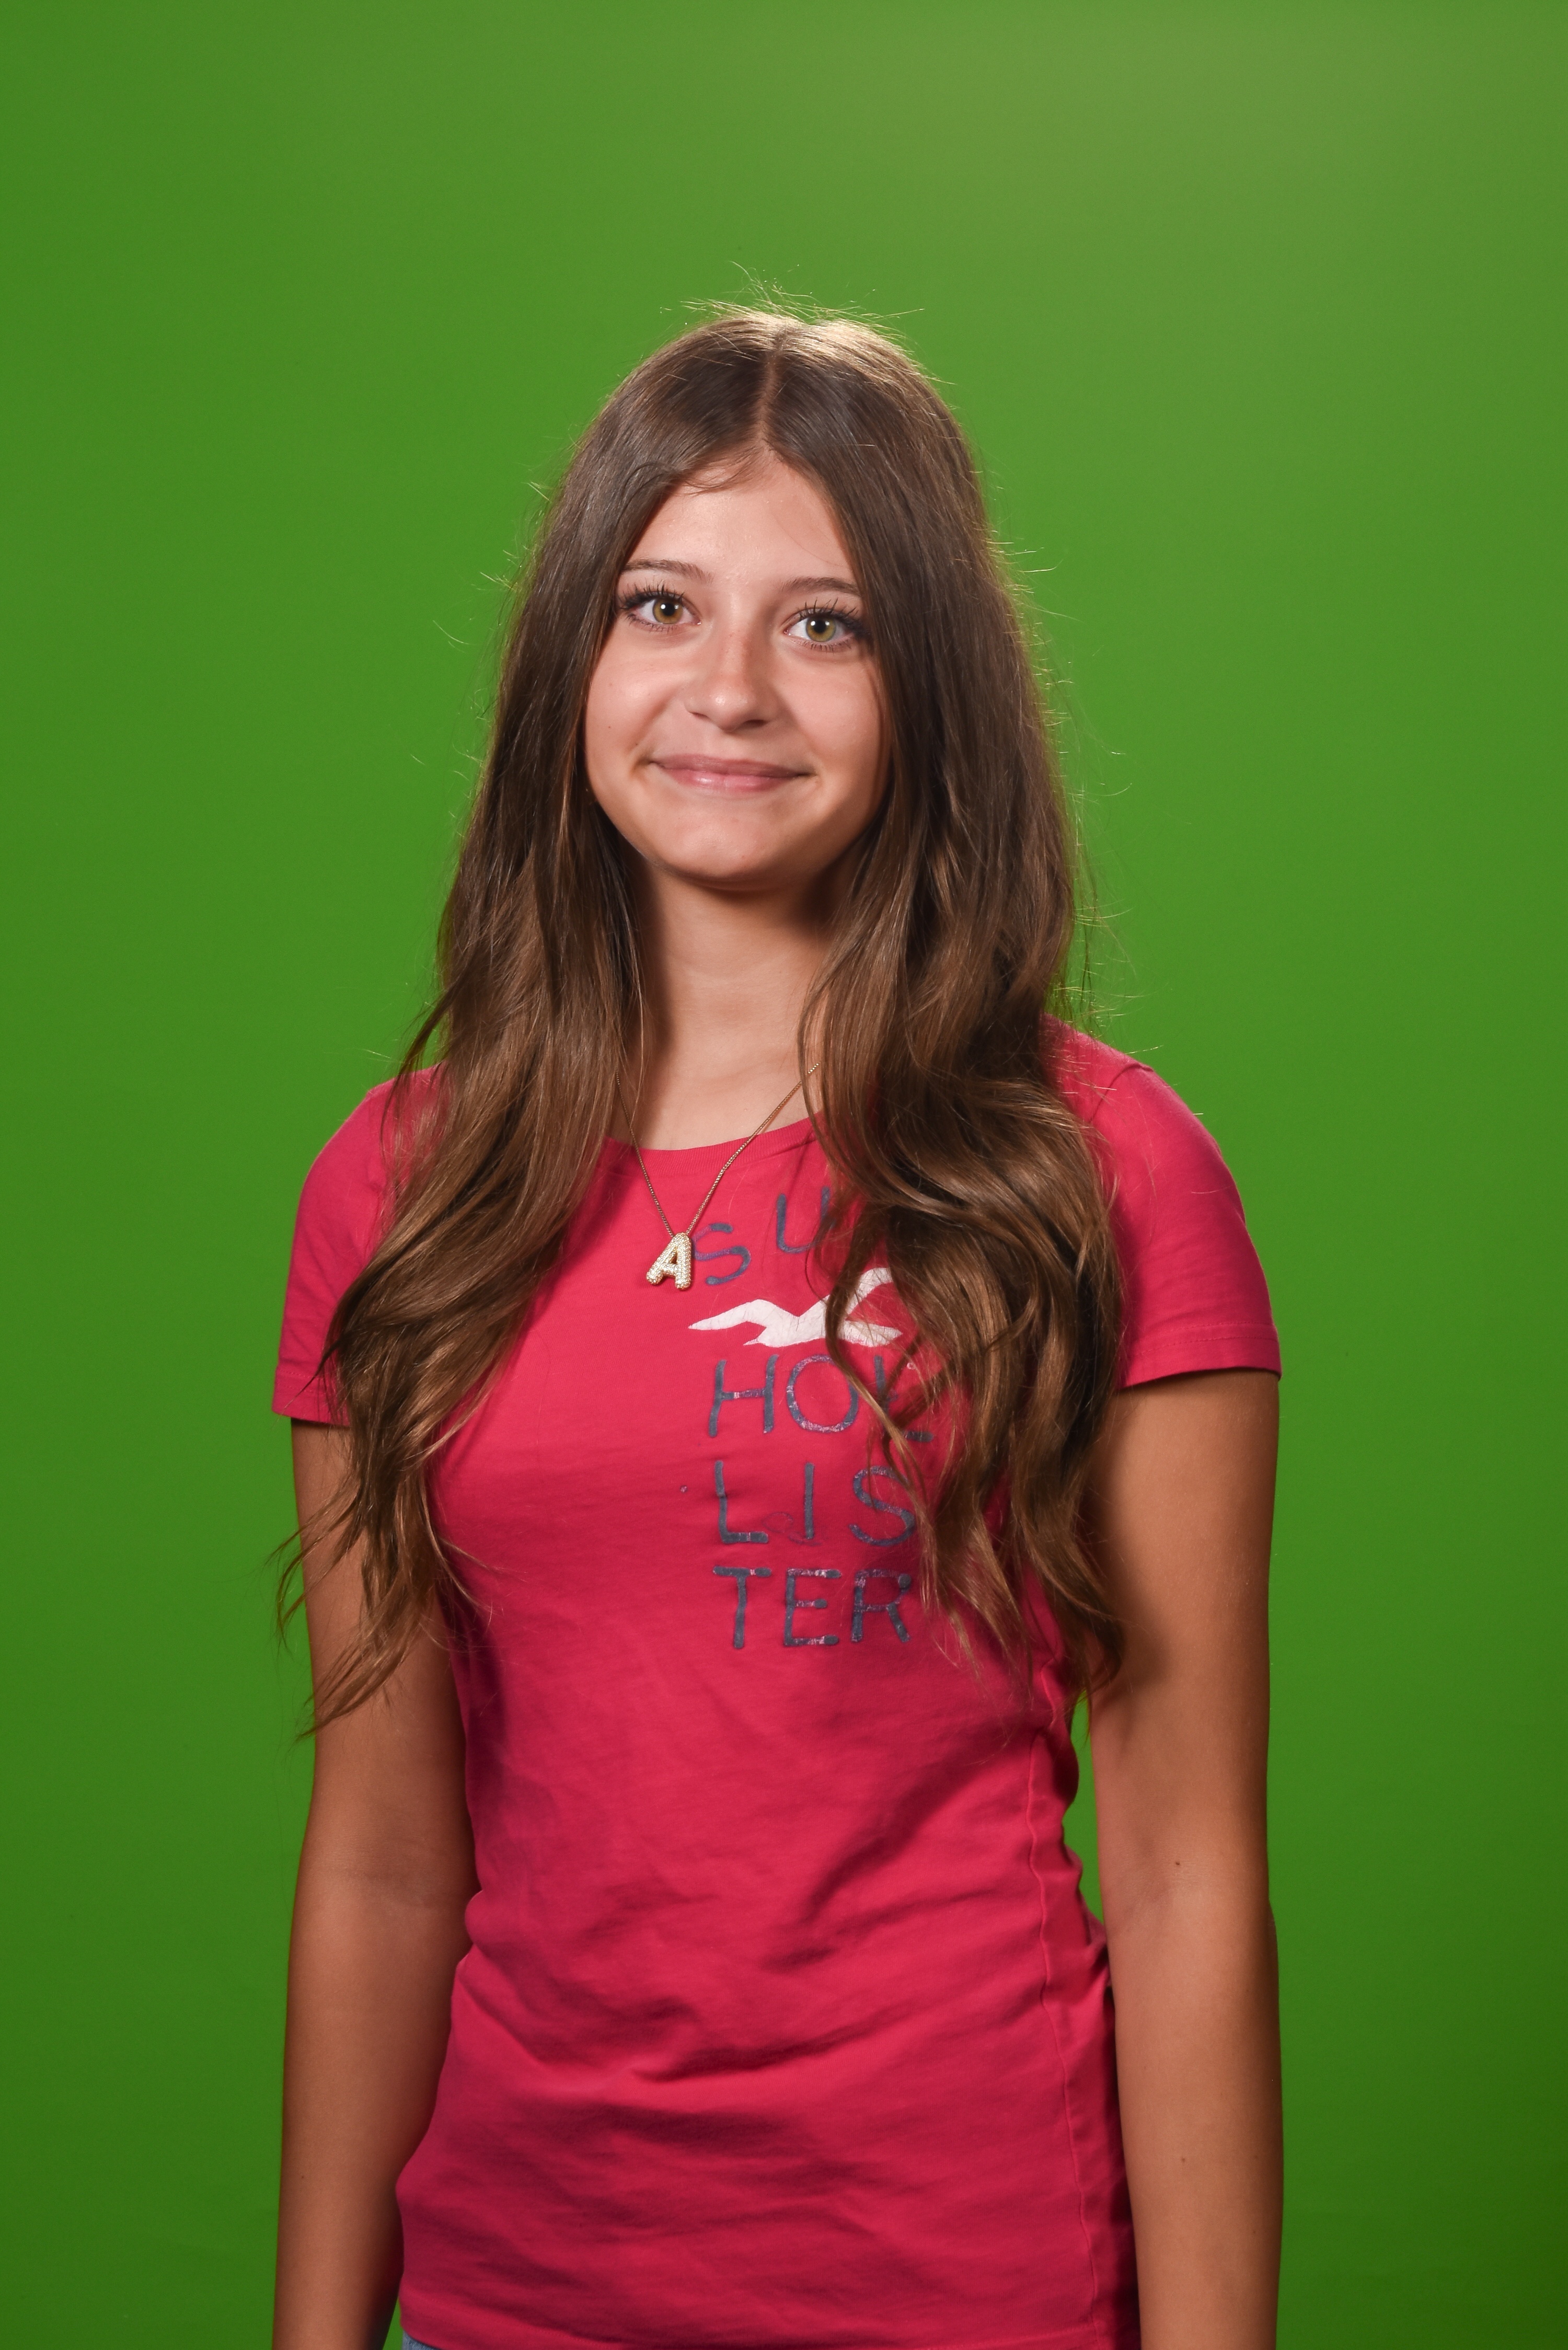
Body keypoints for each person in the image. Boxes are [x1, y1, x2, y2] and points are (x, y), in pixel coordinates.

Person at [271, 309, 1283, 2350]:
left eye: (825, 625)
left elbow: (1187, 1879)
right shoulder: (402, 1189)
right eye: (660, 605)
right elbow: (381, 1861)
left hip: (968, 2277)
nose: (727, 686)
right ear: (573, 661)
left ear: (933, 688)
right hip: (519, 2286)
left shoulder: (1101, 1172)